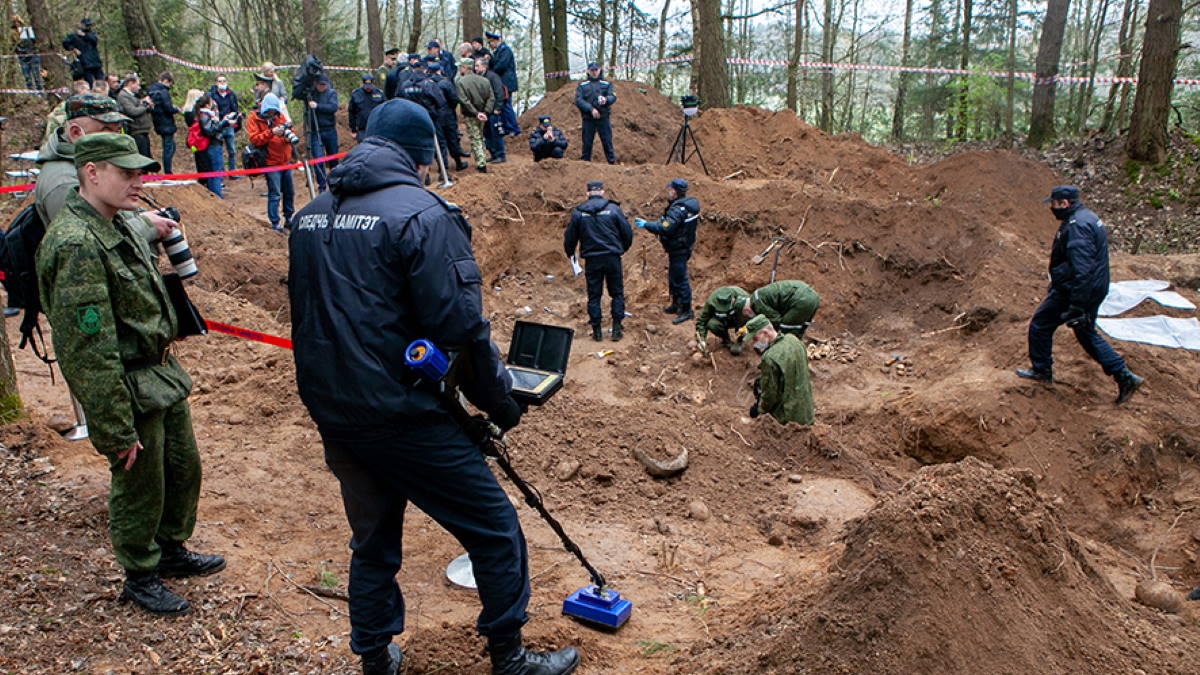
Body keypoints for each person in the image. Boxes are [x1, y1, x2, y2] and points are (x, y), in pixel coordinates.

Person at [288, 98, 580, 675]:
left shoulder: (310, 214)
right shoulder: (422, 215)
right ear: (424, 155)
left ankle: (374, 656)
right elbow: (461, 328)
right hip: (403, 413)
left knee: (372, 541)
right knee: (496, 532)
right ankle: (510, 658)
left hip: (337, 412)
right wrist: (500, 402)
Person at [37, 132, 225, 617]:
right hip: (125, 383)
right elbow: (86, 349)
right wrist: (114, 425)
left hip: (160, 373)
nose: (139, 181)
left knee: (181, 468)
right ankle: (141, 574)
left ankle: (171, 550)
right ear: (92, 173)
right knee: (138, 480)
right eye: (127, 173)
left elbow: (142, 235)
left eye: (141, 172)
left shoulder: (118, 222)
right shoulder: (75, 243)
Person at [1016, 185, 1144, 403]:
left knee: (1040, 324)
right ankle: (1123, 375)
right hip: (1090, 289)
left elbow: (1082, 268)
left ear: (1064, 203)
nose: (1052, 209)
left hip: (1076, 290)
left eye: (1054, 204)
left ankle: (1042, 371)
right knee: (1085, 331)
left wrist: (1076, 304)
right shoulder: (1088, 218)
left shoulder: (1077, 227)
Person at [565, 180, 633, 342]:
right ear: (602, 192)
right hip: (612, 257)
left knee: (594, 295)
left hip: (592, 259)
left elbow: (570, 238)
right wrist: (621, 249)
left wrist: (570, 253)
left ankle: (597, 331)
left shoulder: (579, 213)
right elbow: (627, 233)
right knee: (617, 292)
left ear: (588, 193)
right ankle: (616, 328)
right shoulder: (613, 209)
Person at [636, 178, 700, 324]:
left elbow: (666, 227)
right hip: (680, 246)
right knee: (674, 277)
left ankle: (686, 310)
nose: (668, 192)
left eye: (670, 189)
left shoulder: (678, 210)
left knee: (680, 279)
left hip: (679, 248)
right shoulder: (687, 205)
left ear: (675, 191)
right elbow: (668, 224)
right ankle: (676, 305)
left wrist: (647, 225)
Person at [742, 314, 814, 426]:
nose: (754, 344)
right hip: (806, 408)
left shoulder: (770, 358)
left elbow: (770, 394)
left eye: (755, 339)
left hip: (789, 418)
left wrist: (759, 410)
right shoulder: (793, 340)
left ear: (765, 333)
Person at [246, 94, 296, 231]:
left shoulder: (279, 116)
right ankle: (275, 223)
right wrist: (271, 132)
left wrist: (287, 135)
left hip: (285, 160)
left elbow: (291, 131)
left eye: (274, 111)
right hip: (270, 162)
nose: (272, 114)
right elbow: (254, 139)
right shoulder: (254, 119)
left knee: (289, 191)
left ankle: (289, 218)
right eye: (270, 112)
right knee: (274, 193)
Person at [455, 58, 494, 173]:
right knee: (480, 136)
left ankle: (481, 163)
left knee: (475, 137)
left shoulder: (461, 82)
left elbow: (464, 100)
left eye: (460, 67)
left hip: (471, 115)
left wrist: (476, 113)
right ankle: (482, 158)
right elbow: (491, 98)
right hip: (483, 114)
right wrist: (485, 112)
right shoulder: (485, 81)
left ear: (464, 68)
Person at [427, 61, 468, 169]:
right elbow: (454, 99)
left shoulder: (427, 83)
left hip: (434, 116)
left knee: (439, 142)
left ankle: (443, 168)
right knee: (452, 139)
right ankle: (458, 163)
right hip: (448, 114)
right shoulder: (445, 83)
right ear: (439, 70)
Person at [574, 62, 616, 164]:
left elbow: (613, 96)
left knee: (607, 141)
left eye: (596, 70)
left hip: (603, 117)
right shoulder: (582, 86)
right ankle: (585, 163)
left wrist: (606, 100)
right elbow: (578, 100)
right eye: (592, 70)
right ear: (588, 71)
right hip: (588, 118)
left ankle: (611, 163)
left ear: (600, 70)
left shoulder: (606, 84)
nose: (594, 72)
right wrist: (590, 109)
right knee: (587, 142)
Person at [197, 95, 237, 197]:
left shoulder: (208, 115)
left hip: (215, 144)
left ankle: (215, 192)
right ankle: (217, 194)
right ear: (207, 104)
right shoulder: (204, 116)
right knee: (216, 170)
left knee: (214, 170)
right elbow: (210, 131)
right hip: (213, 145)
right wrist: (223, 123)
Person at [305, 75, 340, 191]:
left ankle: (335, 182)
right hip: (315, 131)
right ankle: (322, 185)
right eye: (320, 84)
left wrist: (318, 106)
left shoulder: (331, 93)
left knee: (333, 158)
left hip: (329, 129)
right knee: (318, 159)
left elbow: (333, 107)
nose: (322, 87)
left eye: (324, 85)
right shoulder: (311, 94)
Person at [695, 286, 751, 355]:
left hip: (739, 320)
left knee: (736, 350)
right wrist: (702, 339)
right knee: (712, 324)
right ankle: (726, 340)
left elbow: (753, 315)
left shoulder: (743, 297)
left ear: (733, 299)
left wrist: (747, 328)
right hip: (723, 320)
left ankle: (740, 340)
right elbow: (702, 320)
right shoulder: (712, 301)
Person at [486, 31, 520, 136]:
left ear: (496, 41)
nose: (490, 45)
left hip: (506, 83)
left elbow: (501, 66)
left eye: (491, 42)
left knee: (506, 105)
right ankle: (506, 126)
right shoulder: (497, 52)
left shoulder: (506, 51)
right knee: (503, 105)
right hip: (501, 82)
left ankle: (512, 128)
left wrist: (491, 71)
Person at [475, 57, 507, 164]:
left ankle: (500, 154)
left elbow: (499, 92)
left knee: (496, 133)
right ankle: (493, 153)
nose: (475, 68)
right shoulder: (478, 77)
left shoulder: (493, 77)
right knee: (487, 133)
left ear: (484, 66)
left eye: (477, 66)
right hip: (484, 111)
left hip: (493, 110)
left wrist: (498, 107)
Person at [147, 72, 180, 174]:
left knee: (171, 146)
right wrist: (176, 109)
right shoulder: (163, 92)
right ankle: (168, 171)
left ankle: (168, 169)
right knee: (168, 148)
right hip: (166, 123)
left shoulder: (151, 90)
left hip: (158, 122)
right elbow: (168, 108)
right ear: (166, 81)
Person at [207, 74, 240, 176]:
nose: (222, 83)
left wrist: (233, 116)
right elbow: (211, 110)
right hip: (218, 125)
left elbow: (235, 108)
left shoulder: (231, 94)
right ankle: (220, 171)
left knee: (232, 150)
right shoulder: (211, 95)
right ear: (216, 83)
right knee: (218, 150)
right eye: (220, 81)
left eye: (224, 81)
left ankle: (232, 170)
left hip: (229, 125)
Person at [117, 73, 154, 159]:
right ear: (130, 84)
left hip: (142, 130)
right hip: (136, 130)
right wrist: (145, 105)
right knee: (142, 157)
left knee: (147, 156)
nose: (139, 87)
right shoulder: (123, 96)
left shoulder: (132, 96)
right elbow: (132, 111)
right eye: (137, 85)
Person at [63, 18, 102, 86]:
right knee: (90, 83)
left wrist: (84, 35)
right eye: (86, 25)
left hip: (96, 62)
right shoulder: (74, 36)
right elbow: (65, 43)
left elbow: (94, 40)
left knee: (101, 82)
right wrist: (73, 49)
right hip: (84, 62)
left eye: (89, 25)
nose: (88, 27)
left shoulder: (92, 34)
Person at [349, 74, 386, 143]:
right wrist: (353, 130)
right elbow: (351, 113)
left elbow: (385, 112)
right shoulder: (356, 94)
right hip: (363, 129)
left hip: (377, 129)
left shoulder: (379, 94)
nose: (368, 88)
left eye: (370, 86)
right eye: (366, 86)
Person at [12, 15, 43, 91]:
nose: (17, 24)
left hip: (33, 55)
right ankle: (32, 93)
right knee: (27, 77)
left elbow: (35, 42)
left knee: (37, 76)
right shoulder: (12, 33)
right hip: (22, 57)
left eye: (18, 22)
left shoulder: (28, 31)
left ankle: (40, 92)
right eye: (15, 22)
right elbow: (13, 46)